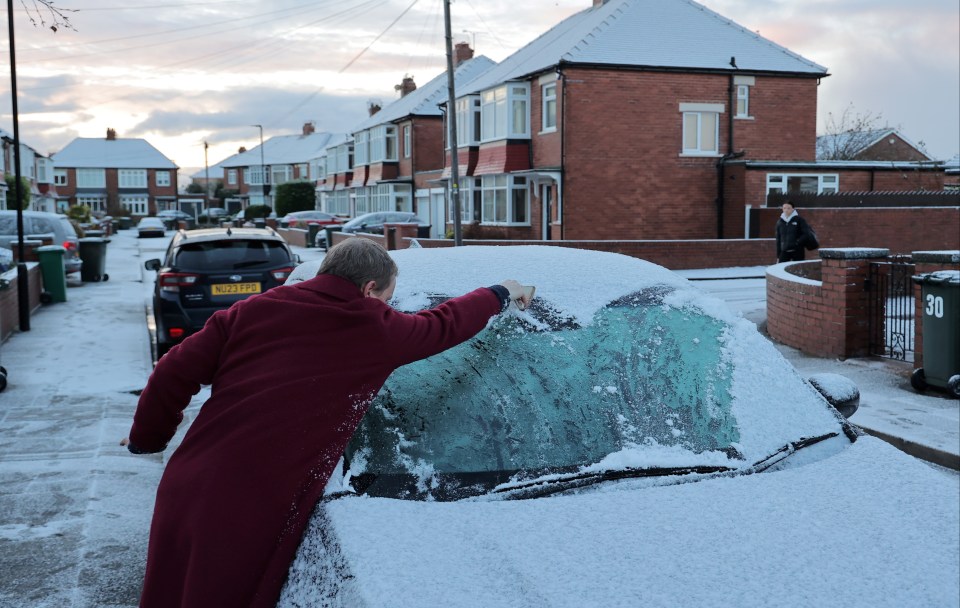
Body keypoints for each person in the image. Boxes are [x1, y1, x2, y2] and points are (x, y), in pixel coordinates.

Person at [122, 238, 531, 608]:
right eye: (387, 297)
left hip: (188, 478)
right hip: (249, 500)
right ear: (370, 289)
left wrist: (148, 439)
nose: (387, 306)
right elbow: (445, 323)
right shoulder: (374, 327)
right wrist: (500, 293)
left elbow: (171, 371)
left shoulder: (251, 310)